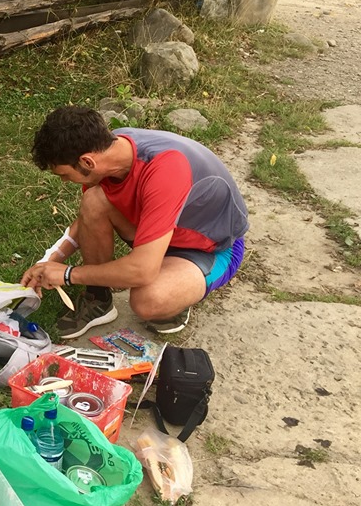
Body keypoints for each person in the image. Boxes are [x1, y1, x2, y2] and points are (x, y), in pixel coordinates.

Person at [20, 106, 248, 338]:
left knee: (149, 300)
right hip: (161, 229)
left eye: (64, 175)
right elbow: (88, 217)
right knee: (94, 200)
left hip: (211, 246)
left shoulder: (166, 169)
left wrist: (68, 274)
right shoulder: (111, 149)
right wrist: (48, 261)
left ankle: (178, 296)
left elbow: (142, 271)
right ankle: (98, 300)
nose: (64, 181)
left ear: (87, 162)